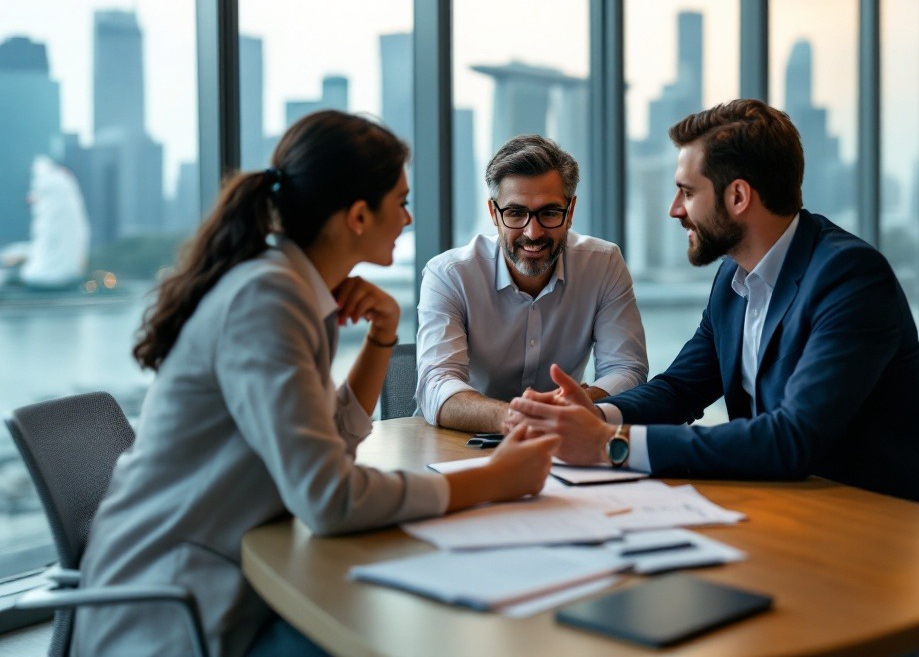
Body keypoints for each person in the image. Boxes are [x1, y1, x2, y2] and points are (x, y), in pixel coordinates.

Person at [72, 111, 558, 657]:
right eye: (399, 202)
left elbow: (331, 444)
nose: (407, 217)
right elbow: (328, 497)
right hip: (171, 611)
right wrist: (492, 479)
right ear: (356, 216)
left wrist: (382, 338)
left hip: (228, 578)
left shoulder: (293, 291)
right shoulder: (268, 300)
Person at [510, 99, 919, 510]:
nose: (674, 209)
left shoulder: (851, 278)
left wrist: (613, 443)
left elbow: (792, 438)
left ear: (738, 197)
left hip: (888, 522)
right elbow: (681, 389)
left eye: (687, 192)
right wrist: (595, 415)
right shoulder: (733, 277)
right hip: (789, 506)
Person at [416, 134, 648, 434]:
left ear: (571, 212)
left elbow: (627, 369)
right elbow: (437, 384)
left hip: (560, 438)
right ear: (493, 214)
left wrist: (571, 405)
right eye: (515, 213)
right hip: (460, 442)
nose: (533, 232)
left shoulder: (603, 264)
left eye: (549, 213)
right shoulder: (449, 274)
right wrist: (516, 417)